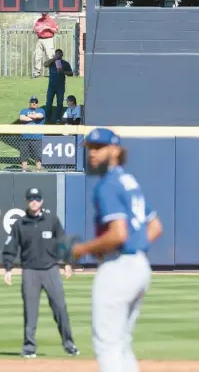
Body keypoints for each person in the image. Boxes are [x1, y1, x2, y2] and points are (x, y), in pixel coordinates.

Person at [70, 128, 163, 372]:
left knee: (108, 347)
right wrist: (136, 248)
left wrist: (82, 249)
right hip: (139, 266)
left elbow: (118, 234)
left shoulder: (108, 185)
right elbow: (154, 227)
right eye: (90, 148)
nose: (92, 153)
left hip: (118, 268)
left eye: (99, 148)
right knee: (122, 345)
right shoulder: (128, 181)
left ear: (116, 151)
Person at [2, 187, 80, 358]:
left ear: (42, 201)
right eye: (31, 198)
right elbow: (11, 246)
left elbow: (62, 242)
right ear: (27, 201)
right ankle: (29, 348)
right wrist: (8, 268)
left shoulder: (51, 220)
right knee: (30, 311)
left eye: (37, 198)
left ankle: (69, 344)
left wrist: (67, 262)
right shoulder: (20, 224)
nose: (34, 201)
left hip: (51, 269)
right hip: (30, 271)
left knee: (60, 308)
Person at [44, 49, 73, 124]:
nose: (58, 55)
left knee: (59, 103)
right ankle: (47, 118)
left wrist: (63, 72)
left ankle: (58, 119)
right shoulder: (52, 62)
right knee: (49, 102)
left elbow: (71, 73)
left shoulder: (65, 63)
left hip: (60, 87)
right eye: (56, 54)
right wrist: (54, 59)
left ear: (62, 55)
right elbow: (45, 64)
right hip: (51, 86)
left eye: (59, 54)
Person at [19, 96, 45, 172]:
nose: (34, 103)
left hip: (37, 137)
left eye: (35, 102)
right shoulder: (24, 110)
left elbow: (39, 116)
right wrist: (34, 118)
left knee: (38, 156)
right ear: (29, 103)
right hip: (25, 137)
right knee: (23, 156)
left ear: (37, 103)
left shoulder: (41, 110)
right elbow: (21, 118)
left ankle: (38, 171)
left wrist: (29, 116)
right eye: (32, 102)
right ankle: (24, 171)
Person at [32, 12, 58, 78]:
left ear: (47, 13)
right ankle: (36, 73)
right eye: (42, 12)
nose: (43, 14)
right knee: (37, 56)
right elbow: (35, 29)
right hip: (40, 39)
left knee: (50, 56)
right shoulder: (39, 20)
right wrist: (38, 28)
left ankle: (54, 73)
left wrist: (48, 28)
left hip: (48, 39)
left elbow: (56, 30)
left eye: (45, 12)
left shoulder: (51, 21)